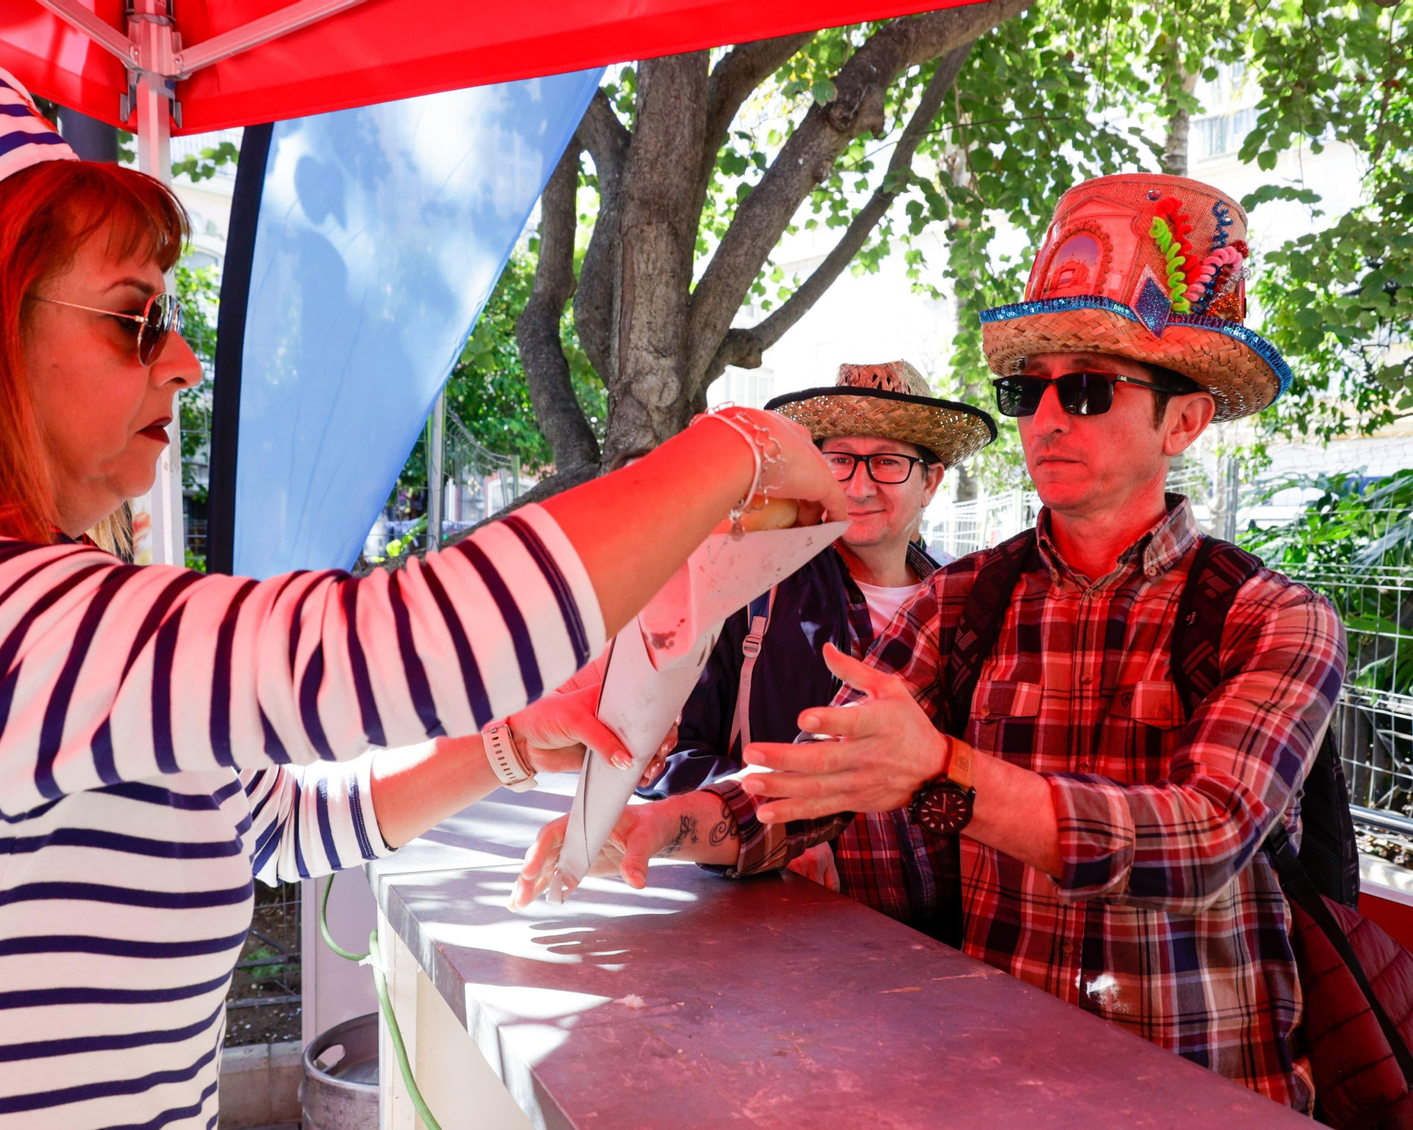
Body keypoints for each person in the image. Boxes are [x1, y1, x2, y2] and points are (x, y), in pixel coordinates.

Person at [0, 53, 845, 1129]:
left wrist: (502, 746)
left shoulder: (16, 614)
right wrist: (739, 445)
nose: (181, 361)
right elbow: (393, 647)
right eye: (133, 318)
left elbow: (260, 828)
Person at [516, 173, 1344, 1113]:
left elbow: (1206, 837)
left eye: (1085, 387)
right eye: (1025, 391)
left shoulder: (1274, 616)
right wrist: (660, 826)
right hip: (998, 1079)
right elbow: (819, 786)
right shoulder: (960, 604)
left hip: (1210, 1090)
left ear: (1185, 420)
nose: (1046, 418)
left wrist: (941, 773)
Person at [640, 361, 994, 928]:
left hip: (953, 939)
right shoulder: (753, 591)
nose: (859, 485)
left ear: (931, 481)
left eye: (887, 461)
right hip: (798, 929)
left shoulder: (968, 604)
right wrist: (780, 826)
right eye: (840, 460)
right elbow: (666, 757)